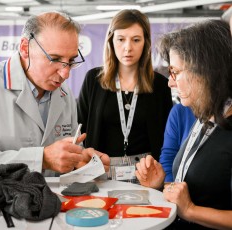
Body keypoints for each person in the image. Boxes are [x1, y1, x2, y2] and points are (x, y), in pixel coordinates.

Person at [0, 12, 110, 184]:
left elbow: (65, 157)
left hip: (51, 205)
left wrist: (79, 161)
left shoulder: (64, 93)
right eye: (55, 59)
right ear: (25, 48)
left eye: (71, 60)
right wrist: (41, 159)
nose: (66, 73)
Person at [136, 19, 232, 229]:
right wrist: (161, 185)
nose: (170, 82)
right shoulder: (204, 119)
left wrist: (190, 210)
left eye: (175, 72)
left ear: (206, 72)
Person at [77, 9, 172, 182]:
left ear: (146, 43)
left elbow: (166, 139)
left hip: (146, 175)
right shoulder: (93, 80)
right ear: (111, 41)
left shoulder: (160, 84)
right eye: (121, 39)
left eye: (136, 40)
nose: (128, 47)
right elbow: (79, 128)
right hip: (100, 173)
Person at [160, 103, 195, 182]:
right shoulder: (179, 110)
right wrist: (171, 187)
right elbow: (168, 157)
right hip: (177, 188)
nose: (172, 89)